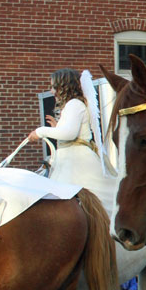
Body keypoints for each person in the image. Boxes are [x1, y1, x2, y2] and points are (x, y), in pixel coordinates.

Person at [28, 68, 115, 210]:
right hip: (69, 160)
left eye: (53, 87)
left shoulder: (74, 104)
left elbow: (69, 134)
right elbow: (70, 132)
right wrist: (57, 128)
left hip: (77, 162)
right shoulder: (72, 105)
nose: (51, 91)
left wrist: (40, 132)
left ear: (63, 87)